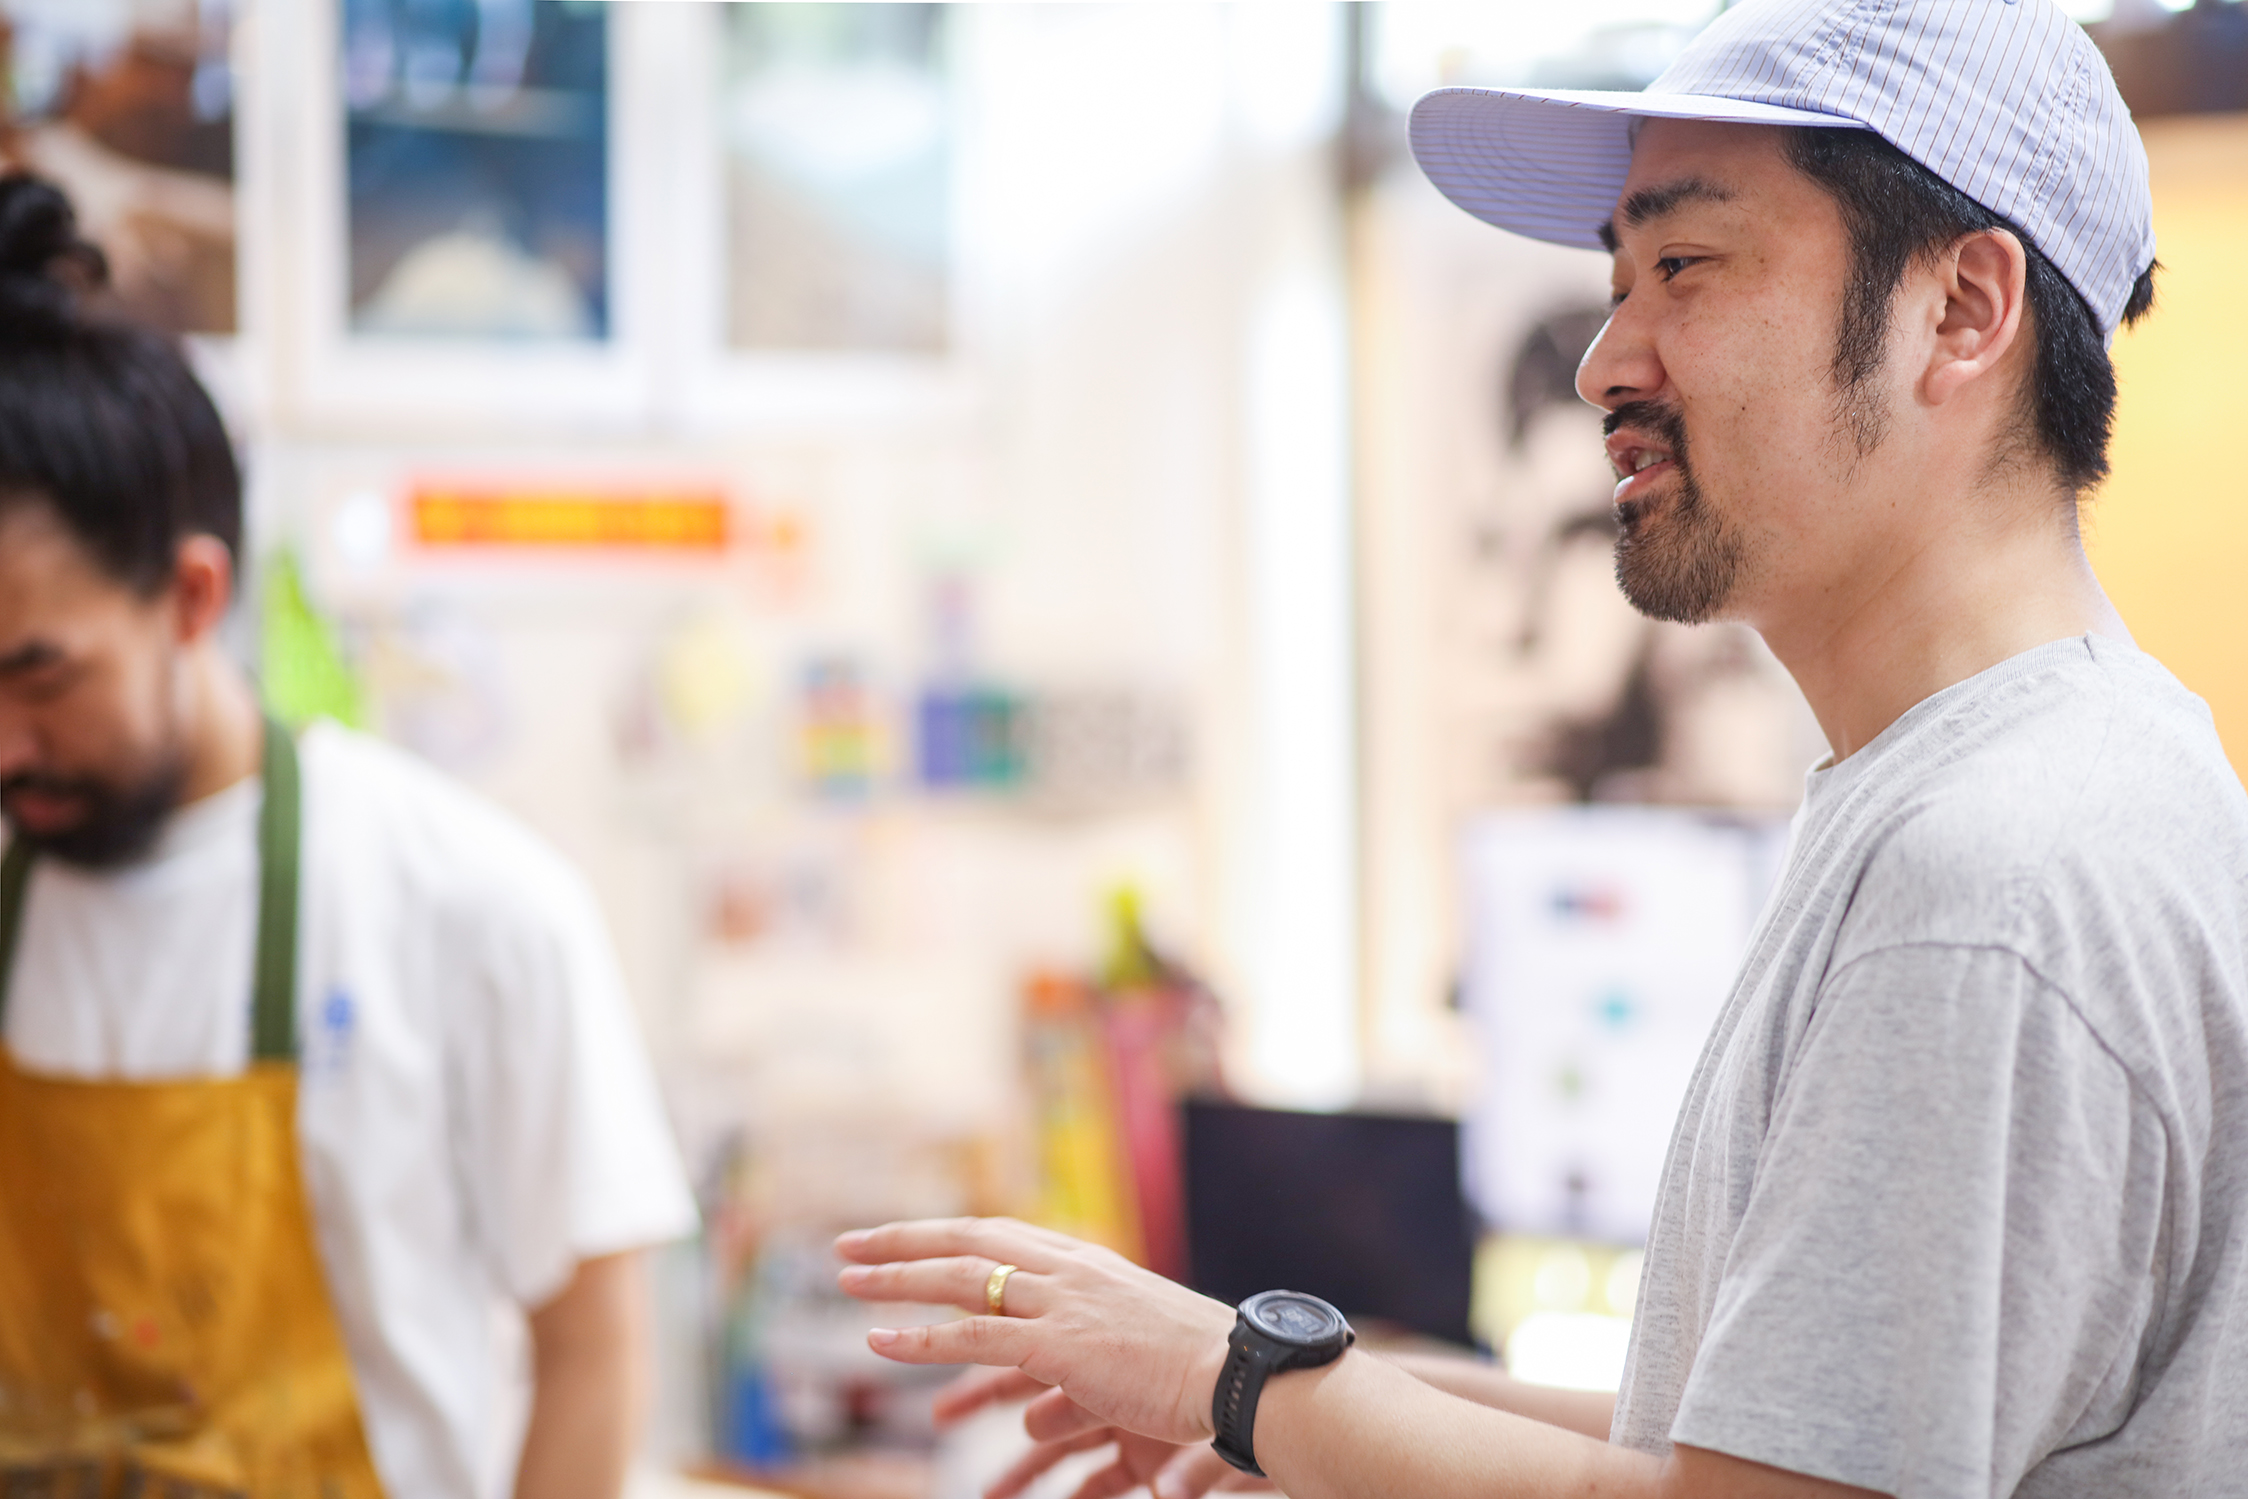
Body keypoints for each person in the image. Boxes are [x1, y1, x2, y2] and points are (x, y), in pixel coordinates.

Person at [836, 1, 2248, 1496]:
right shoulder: (2067, 777)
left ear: (1961, 310)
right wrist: (1294, 1392)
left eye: (1685, 266)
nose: (1603, 363)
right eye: (1616, 281)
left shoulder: (1990, 878)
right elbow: (1739, 1448)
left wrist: (1235, 1386)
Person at [0, 173, 696, 1498]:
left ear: (191, 596)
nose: (4, 747)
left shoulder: (465, 901)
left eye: (40, 675)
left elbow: (594, 1349)